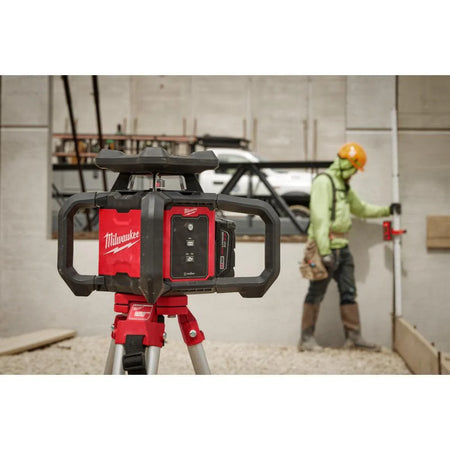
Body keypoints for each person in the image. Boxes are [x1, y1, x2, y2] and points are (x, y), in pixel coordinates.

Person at [298, 142, 401, 352]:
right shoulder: (324, 182)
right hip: (324, 248)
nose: (354, 174)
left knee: (349, 292)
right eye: (354, 169)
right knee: (316, 292)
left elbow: (360, 209)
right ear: (346, 164)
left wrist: (387, 210)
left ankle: (354, 338)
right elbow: (319, 219)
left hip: (343, 248)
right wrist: (325, 252)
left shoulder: (343, 186)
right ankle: (306, 339)